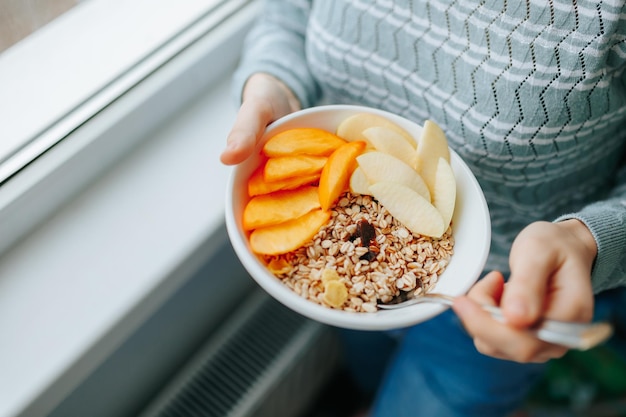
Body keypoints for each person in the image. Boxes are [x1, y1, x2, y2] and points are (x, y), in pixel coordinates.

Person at [221, 1, 626, 416]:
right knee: (366, 367)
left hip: (500, 292)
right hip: (341, 263)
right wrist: (275, 85)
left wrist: (585, 237)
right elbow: (288, 13)